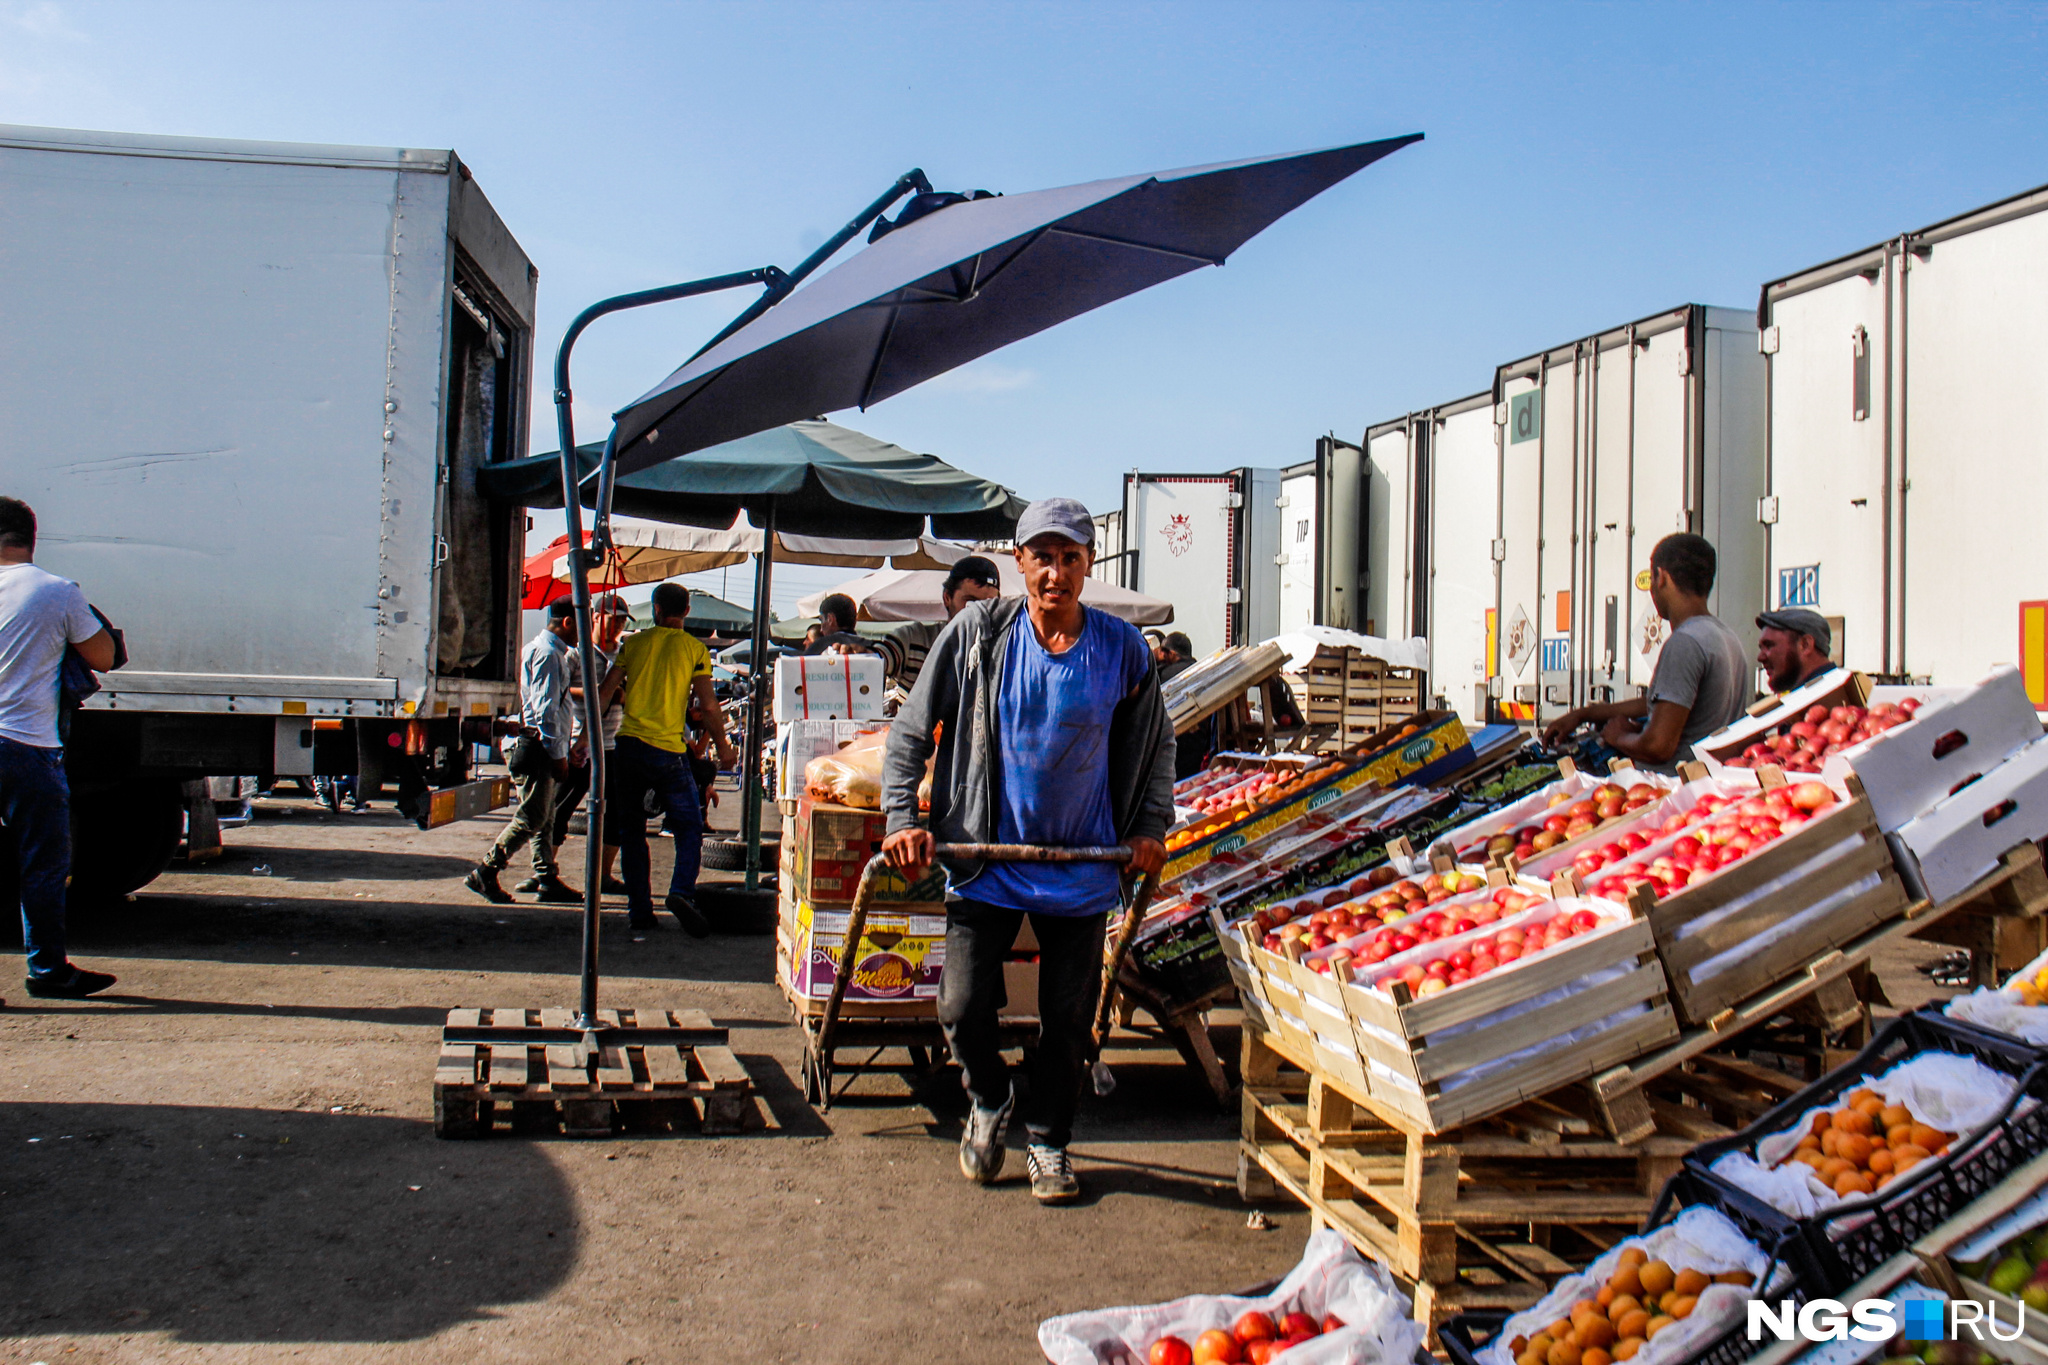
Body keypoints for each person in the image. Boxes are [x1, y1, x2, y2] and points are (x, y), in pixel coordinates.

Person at [881, 497, 1175, 1205]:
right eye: (1042, 557)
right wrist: (900, 817)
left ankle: (1048, 1139)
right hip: (986, 860)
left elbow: (1156, 745)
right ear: (1020, 563)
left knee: (1070, 1019)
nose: (1055, 573)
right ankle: (987, 1097)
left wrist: (1149, 829)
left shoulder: (1122, 649)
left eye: (1070, 558)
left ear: (1088, 565)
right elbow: (911, 733)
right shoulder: (978, 635)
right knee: (961, 1006)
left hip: (1081, 866)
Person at [0, 498, 121, 998]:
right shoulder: (56, 591)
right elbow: (105, 657)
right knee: (42, 866)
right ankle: (47, 971)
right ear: (31, 539)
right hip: (25, 747)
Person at [1542, 533, 1751, 769]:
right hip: (1709, 785)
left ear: (1661, 577)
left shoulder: (1685, 643)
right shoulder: (1725, 637)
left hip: (1676, 789)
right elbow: (1670, 701)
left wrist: (1618, 736)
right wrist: (1586, 714)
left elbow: (1657, 746)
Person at [600, 582, 737, 935]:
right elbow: (708, 704)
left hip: (627, 748)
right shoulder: (695, 649)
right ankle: (680, 892)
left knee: (631, 833)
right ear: (687, 612)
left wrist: (586, 738)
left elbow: (603, 696)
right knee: (689, 827)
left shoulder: (633, 644)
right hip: (669, 751)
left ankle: (639, 912)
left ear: (656, 609)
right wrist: (722, 747)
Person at [465, 597, 580, 904]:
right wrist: (558, 755)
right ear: (567, 622)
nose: (585, 632)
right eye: (583, 623)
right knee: (533, 815)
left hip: (540, 744)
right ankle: (487, 870)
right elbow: (545, 712)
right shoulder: (547, 655)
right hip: (536, 746)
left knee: (546, 816)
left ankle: (546, 876)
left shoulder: (549, 652)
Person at [538, 592, 633, 898]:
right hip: (579, 744)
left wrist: (621, 695)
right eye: (612, 617)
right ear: (595, 617)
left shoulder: (625, 654)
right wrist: (599, 692)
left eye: (621, 619)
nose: (617, 624)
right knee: (558, 810)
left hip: (612, 744)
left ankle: (604, 876)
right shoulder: (577, 654)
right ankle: (544, 871)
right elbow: (560, 688)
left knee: (615, 815)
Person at [1755, 608, 1836, 694]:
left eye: (1769, 645)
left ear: (1805, 645)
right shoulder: (1831, 690)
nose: (1760, 657)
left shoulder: (1832, 697)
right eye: (1761, 648)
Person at [804, 592, 870, 655]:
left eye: (822, 620)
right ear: (855, 619)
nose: (821, 629)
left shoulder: (817, 649)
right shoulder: (870, 649)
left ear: (830, 619)